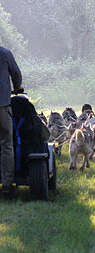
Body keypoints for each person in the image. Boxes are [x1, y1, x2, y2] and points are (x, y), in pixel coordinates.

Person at [0, 46, 23, 196]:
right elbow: (16, 74)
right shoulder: (5, 53)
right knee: (6, 144)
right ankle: (7, 185)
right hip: (2, 105)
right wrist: (16, 88)